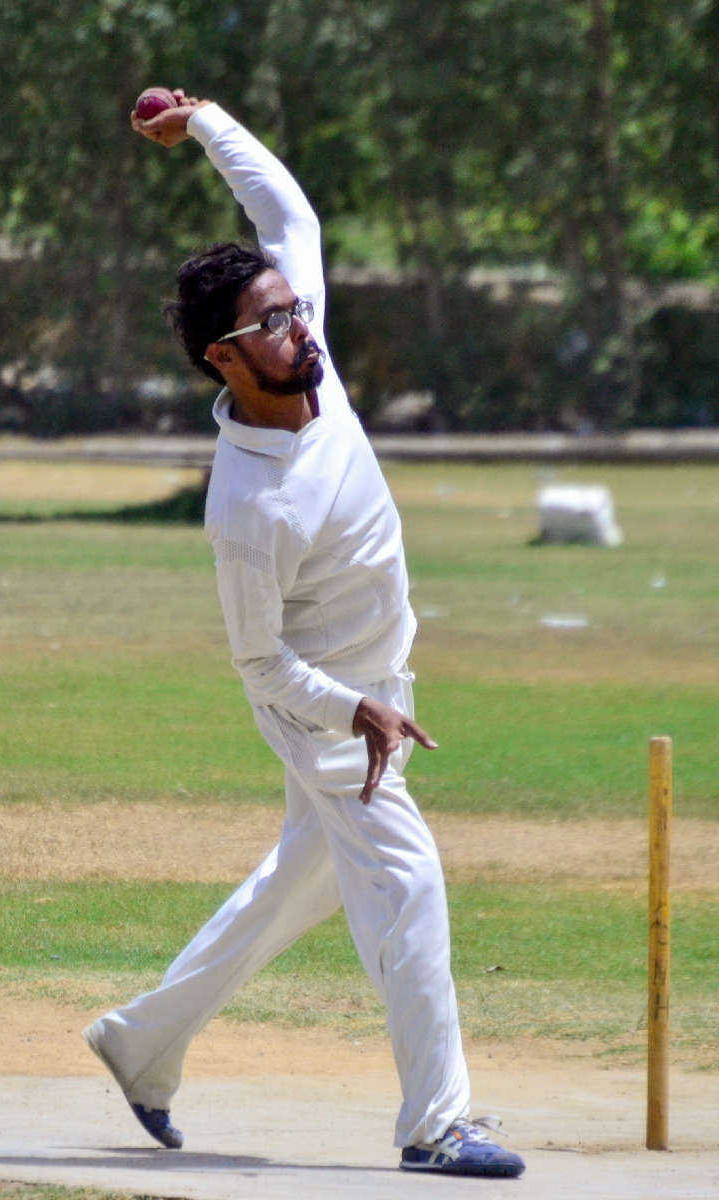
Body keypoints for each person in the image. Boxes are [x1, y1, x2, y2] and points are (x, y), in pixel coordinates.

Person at [82, 86, 525, 1180]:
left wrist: (203, 123)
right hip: (327, 715)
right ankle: (436, 1126)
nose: (301, 328)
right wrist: (353, 708)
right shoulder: (248, 507)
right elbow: (258, 662)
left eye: (294, 309)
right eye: (274, 324)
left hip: (382, 687)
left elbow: (291, 217)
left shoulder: (301, 351)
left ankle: (140, 1044)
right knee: (407, 884)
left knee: (302, 884)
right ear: (225, 359)